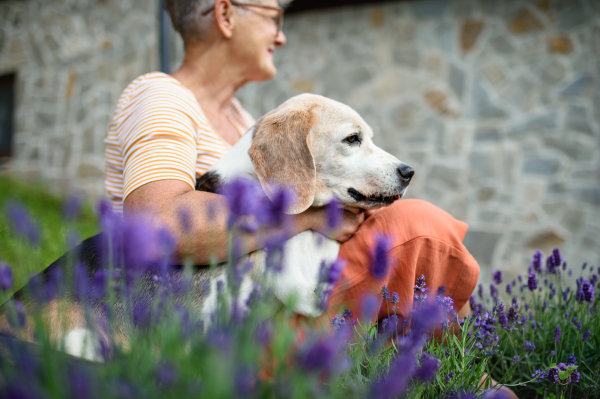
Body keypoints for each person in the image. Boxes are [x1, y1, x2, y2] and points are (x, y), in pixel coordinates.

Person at [105, 0, 478, 335]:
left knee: (414, 236)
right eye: (274, 16)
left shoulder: (240, 121)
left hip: (267, 292)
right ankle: (476, 378)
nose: (281, 37)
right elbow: (156, 225)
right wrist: (310, 218)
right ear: (226, 14)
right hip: (217, 315)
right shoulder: (161, 95)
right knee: (420, 229)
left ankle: (458, 369)